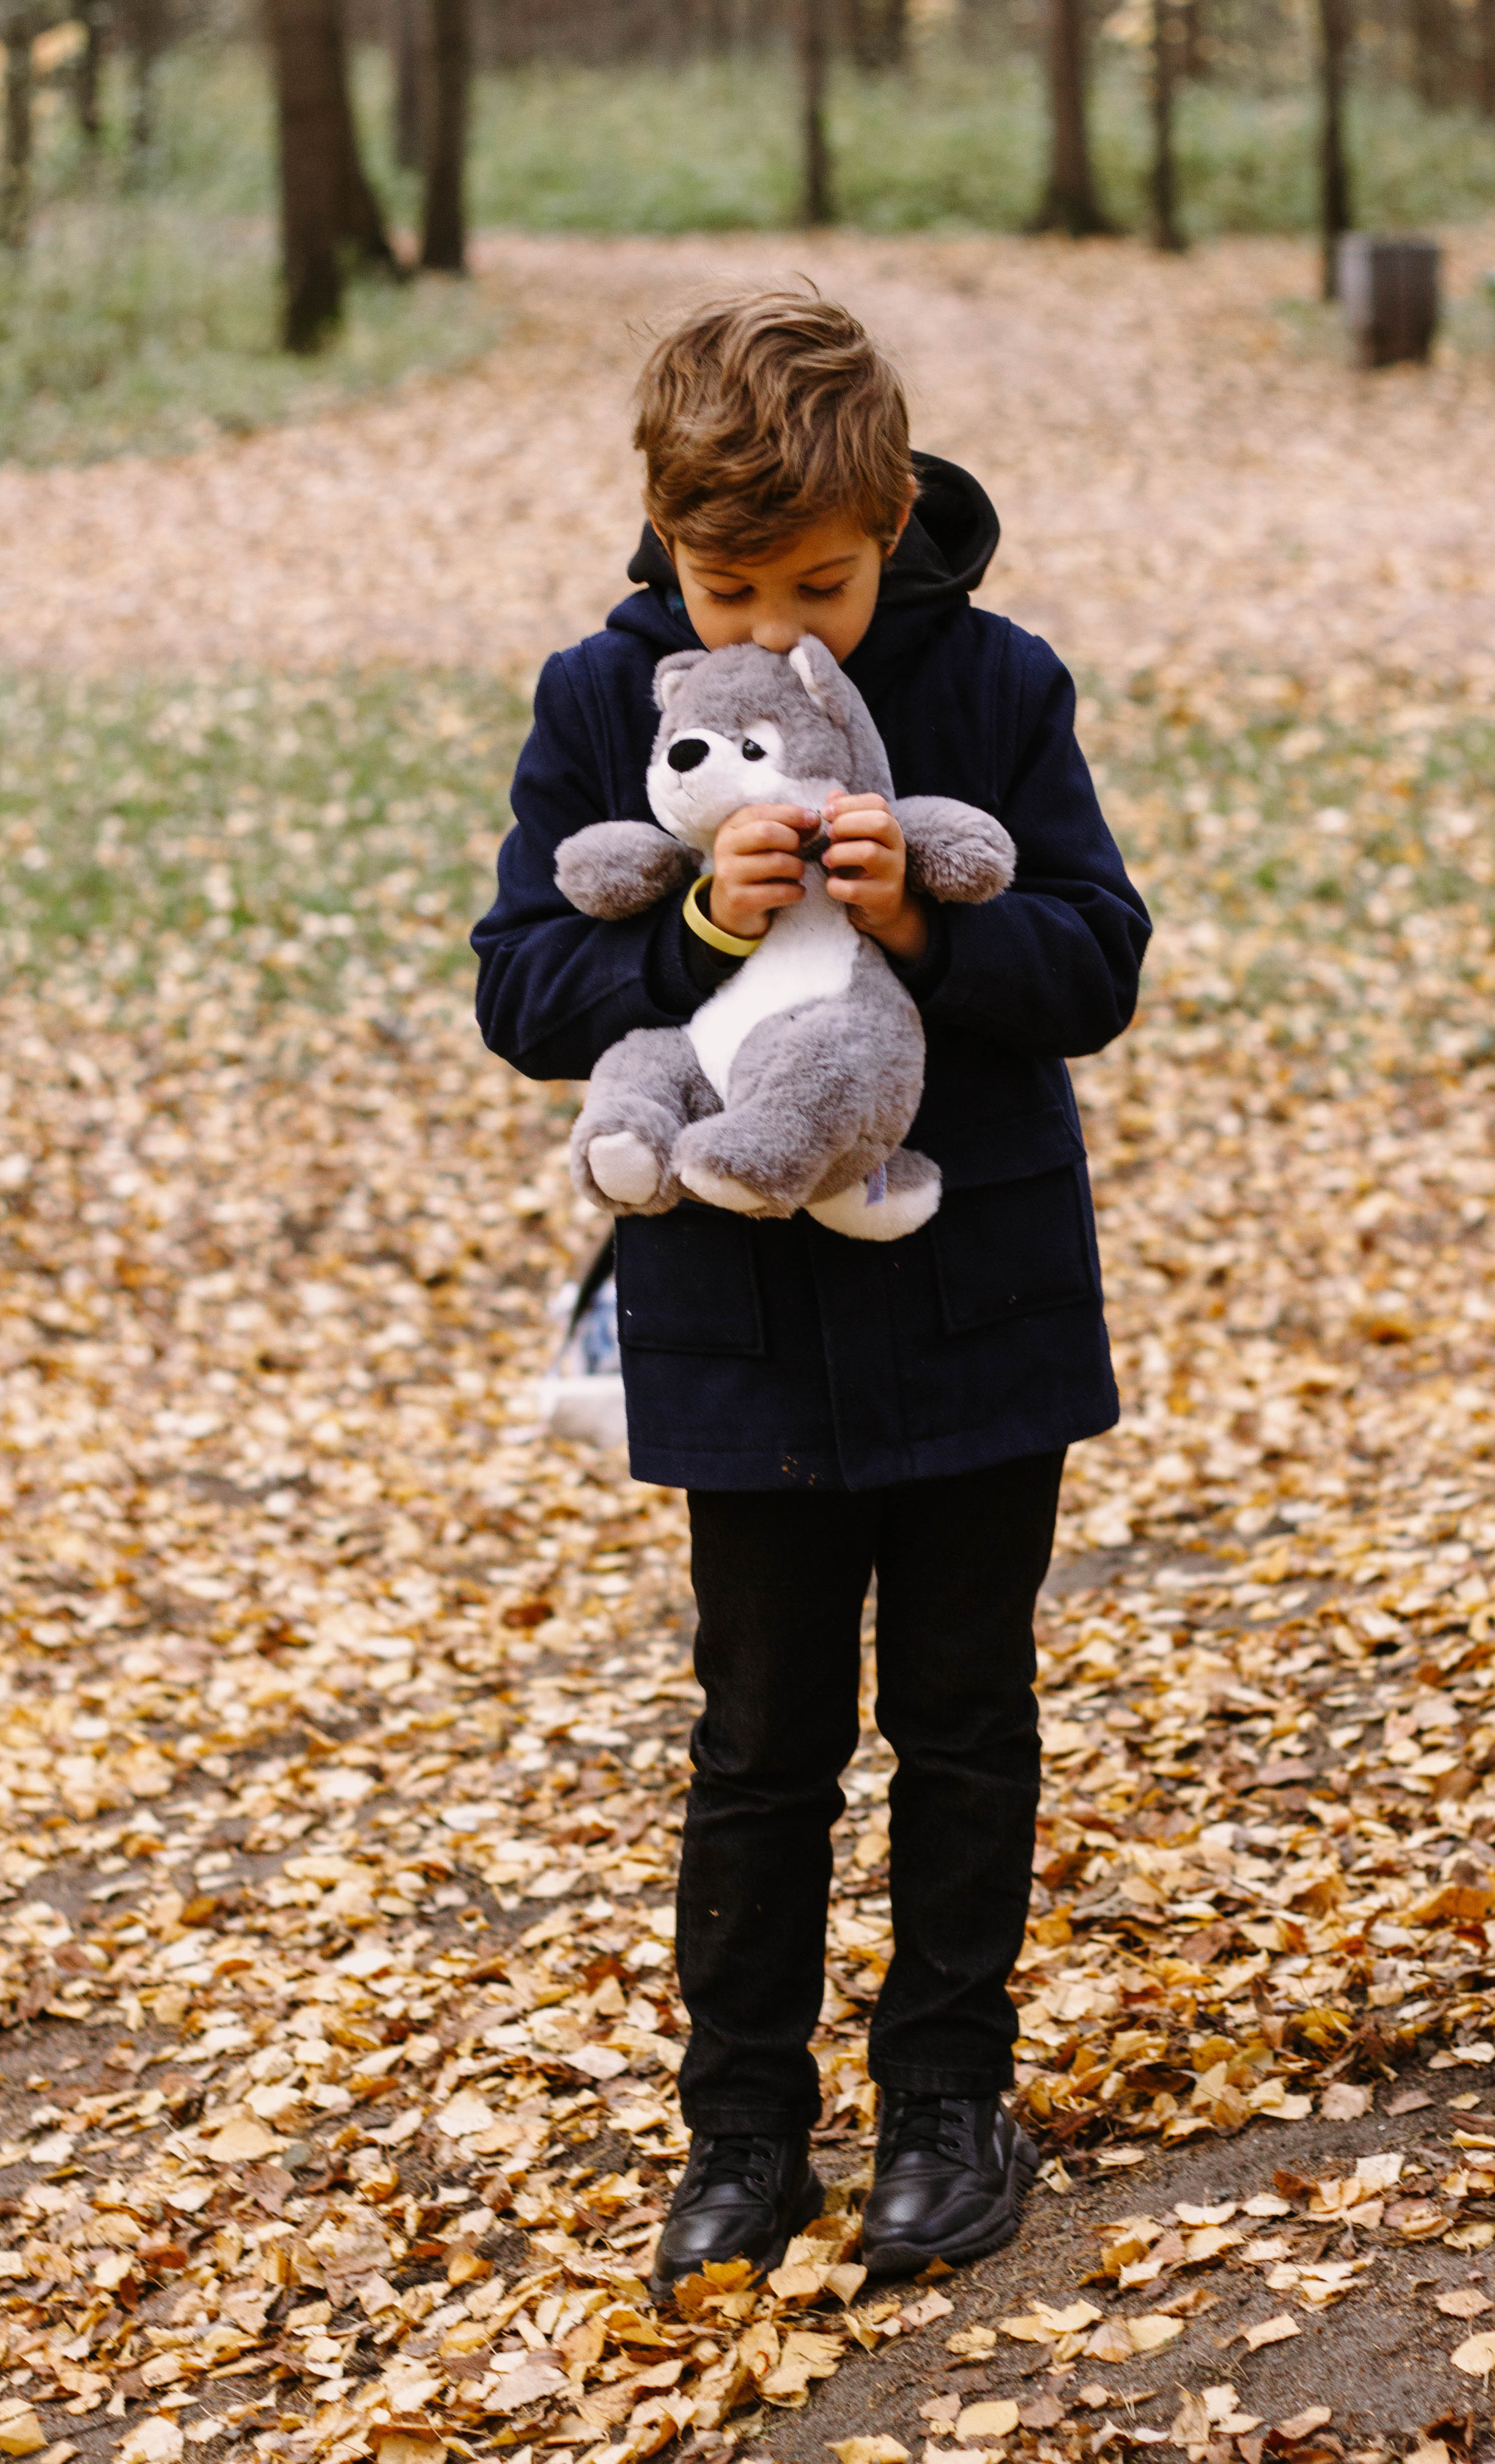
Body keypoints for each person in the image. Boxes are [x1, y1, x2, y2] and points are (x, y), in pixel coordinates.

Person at [472, 289, 1150, 2298]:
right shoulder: (606, 697)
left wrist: (932, 927)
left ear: (895, 524)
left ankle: (949, 2092)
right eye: (727, 580)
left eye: (823, 585)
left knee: (963, 1711)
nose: (777, 622)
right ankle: (743, 2123)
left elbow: (1098, 958)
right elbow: (523, 982)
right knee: (760, 1732)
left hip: (974, 1284)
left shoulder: (998, 684)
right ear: (662, 543)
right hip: (737, 1308)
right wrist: (692, 930)